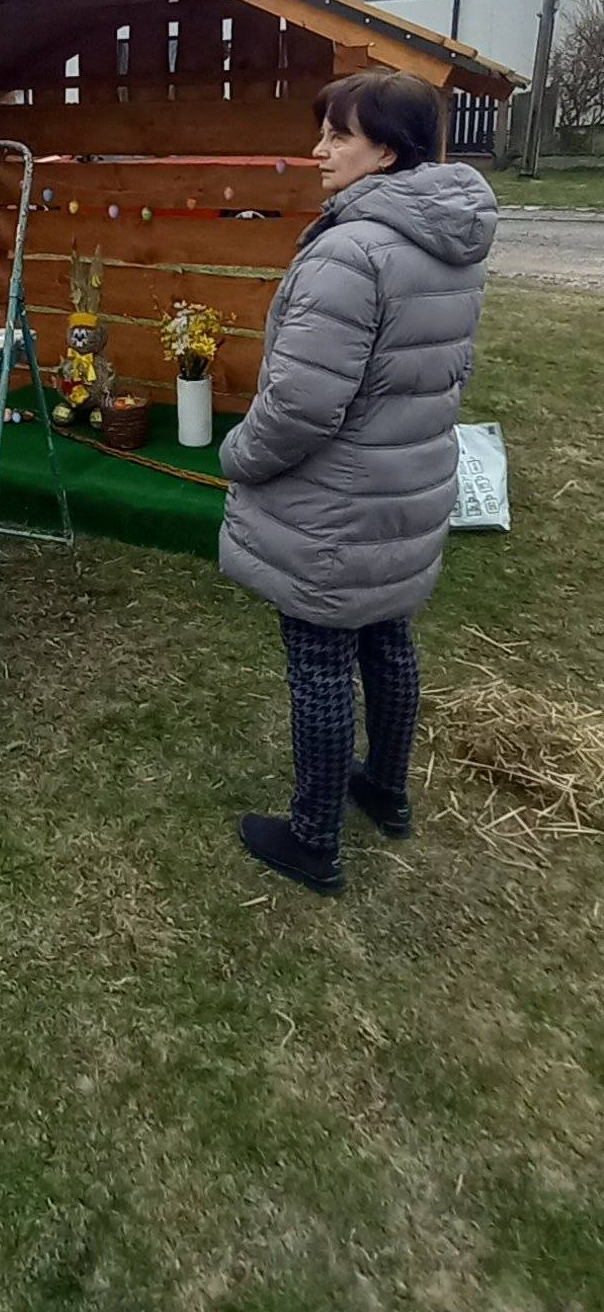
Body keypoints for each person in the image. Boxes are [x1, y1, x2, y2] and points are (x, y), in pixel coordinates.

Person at [219, 70, 497, 894]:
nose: (319, 150)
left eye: (338, 135)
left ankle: (313, 838)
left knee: (320, 660)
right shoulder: (447, 236)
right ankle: (385, 787)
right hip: (404, 488)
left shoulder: (352, 249)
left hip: (336, 503)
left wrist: (239, 455)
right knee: (386, 637)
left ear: (386, 151)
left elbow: (302, 406)